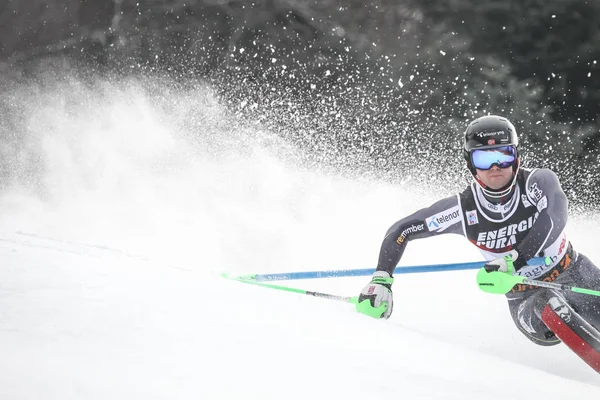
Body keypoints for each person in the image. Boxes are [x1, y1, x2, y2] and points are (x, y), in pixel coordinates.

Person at [357, 115, 600, 371]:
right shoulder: (463, 209)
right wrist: (381, 278)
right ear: (470, 164)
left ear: (516, 156)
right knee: (547, 303)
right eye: (483, 158)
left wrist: (515, 258)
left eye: (503, 155)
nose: (495, 166)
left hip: (575, 273)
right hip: (527, 297)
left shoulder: (537, 182)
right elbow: (402, 229)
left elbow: (554, 216)